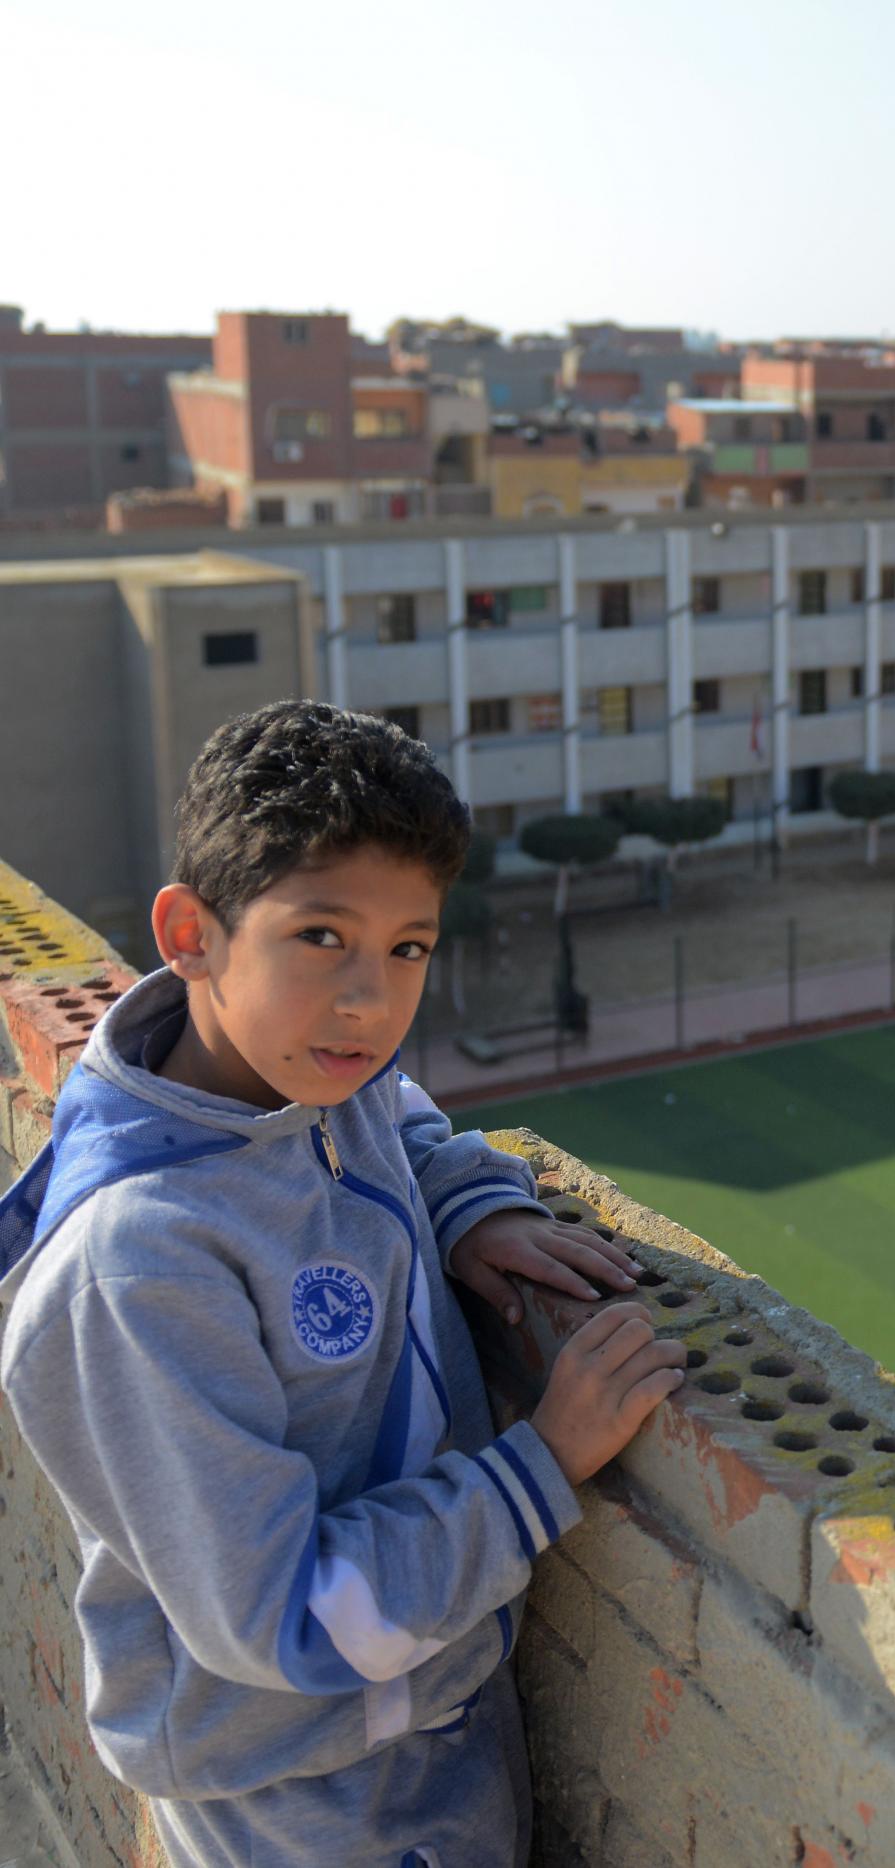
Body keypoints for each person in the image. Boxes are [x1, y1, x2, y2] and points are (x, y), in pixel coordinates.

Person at [0, 702, 686, 1867]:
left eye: (407, 946)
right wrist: (539, 1463)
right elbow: (282, 1616)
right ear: (190, 932)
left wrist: (469, 1208)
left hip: (423, 1719)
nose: (371, 1000)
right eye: (321, 935)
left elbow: (396, 1123)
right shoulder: (139, 1265)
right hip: (305, 1795)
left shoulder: (302, 1074)